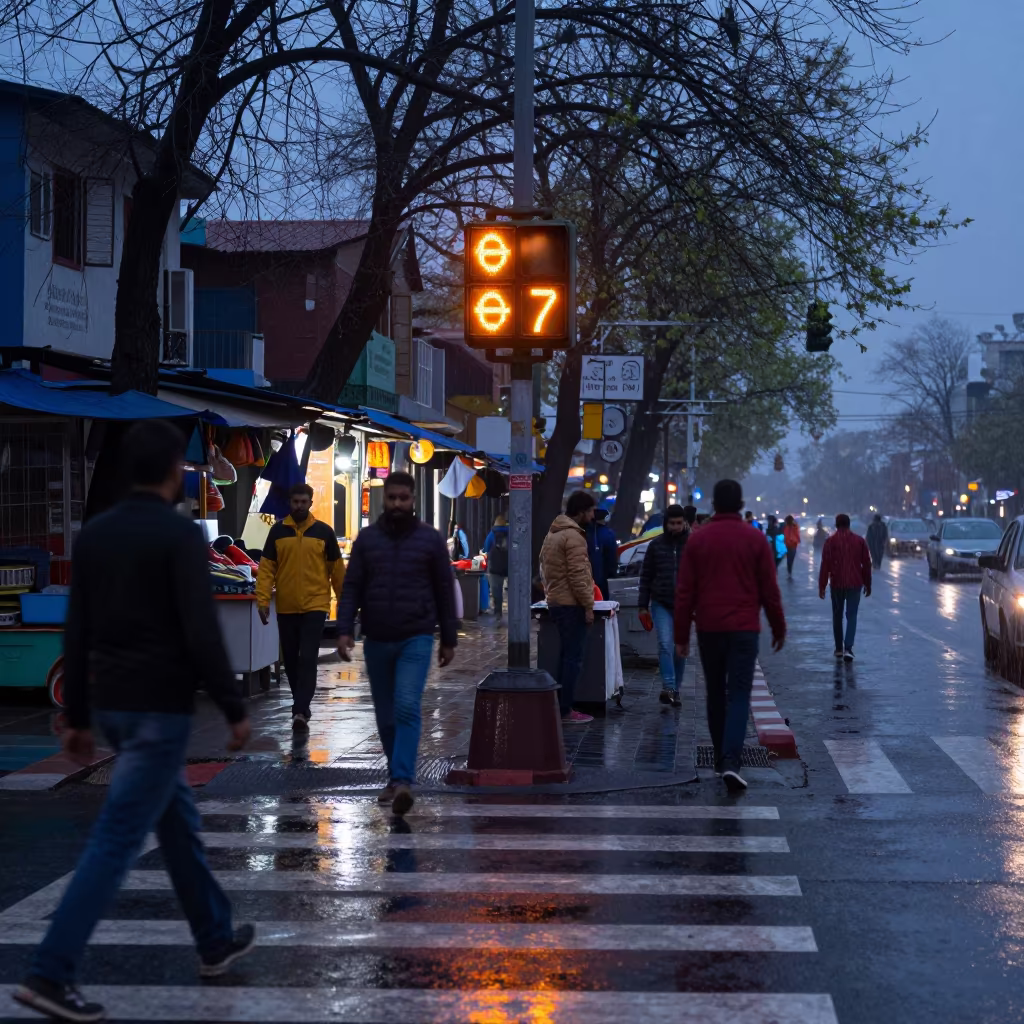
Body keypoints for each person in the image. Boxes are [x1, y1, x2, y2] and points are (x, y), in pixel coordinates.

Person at [13, 420, 253, 1023]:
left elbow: (79, 626)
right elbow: (201, 630)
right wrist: (231, 704)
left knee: (177, 825)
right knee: (118, 839)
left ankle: (214, 937)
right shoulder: (176, 537)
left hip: (114, 704)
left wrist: (75, 712)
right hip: (158, 709)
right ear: (174, 471)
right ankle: (50, 970)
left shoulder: (95, 536)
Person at [337, 471, 457, 816]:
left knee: (406, 705)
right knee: (386, 717)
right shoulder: (367, 540)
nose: (397, 504)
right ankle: (395, 779)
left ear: (413, 499)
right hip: (376, 638)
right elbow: (352, 587)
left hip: (415, 637)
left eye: (403, 498)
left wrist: (448, 638)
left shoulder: (430, 540)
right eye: (392, 498)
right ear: (384, 499)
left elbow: (444, 591)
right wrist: (344, 629)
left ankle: (403, 780)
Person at [674, 479, 786, 793]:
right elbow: (769, 590)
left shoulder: (698, 540)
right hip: (744, 630)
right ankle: (730, 760)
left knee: (714, 693)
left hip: (709, 628)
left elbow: (685, 593)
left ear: (714, 503)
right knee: (739, 694)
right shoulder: (754, 539)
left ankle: (722, 760)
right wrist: (778, 627)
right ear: (739, 504)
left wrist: (681, 635)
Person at [256, 482, 346, 730]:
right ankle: (302, 706)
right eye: (295, 502)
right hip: (286, 606)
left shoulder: (324, 533)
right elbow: (266, 570)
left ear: (311, 502)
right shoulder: (277, 533)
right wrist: (262, 599)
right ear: (290, 503)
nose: (299, 506)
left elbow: (337, 572)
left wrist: (346, 605)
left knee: (307, 657)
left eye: (303, 502)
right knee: (292, 662)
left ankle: (299, 710)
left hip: (315, 605)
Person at [540, 490, 597, 725]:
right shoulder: (574, 537)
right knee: (573, 658)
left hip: (556, 601)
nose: (593, 516)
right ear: (582, 511)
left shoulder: (553, 534)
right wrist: (588, 604)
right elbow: (578, 575)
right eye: (592, 511)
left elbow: (543, 567)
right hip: (571, 604)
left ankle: (558, 706)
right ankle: (565, 709)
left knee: (565, 656)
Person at [638, 504, 692, 707]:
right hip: (661, 602)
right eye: (672, 523)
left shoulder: (693, 544)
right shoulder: (656, 545)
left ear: (685, 522)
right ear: (666, 524)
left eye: (679, 523)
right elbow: (646, 576)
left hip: (686, 605)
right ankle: (668, 687)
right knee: (664, 644)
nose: (676, 527)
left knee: (680, 649)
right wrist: (642, 605)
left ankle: (675, 689)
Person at [819, 513, 872, 662]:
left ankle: (838, 648)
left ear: (836, 525)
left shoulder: (830, 542)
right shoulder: (859, 541)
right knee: (852, 615)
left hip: (836, 583)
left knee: (837, 615)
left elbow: (825, 565)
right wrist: (868, 584)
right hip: (855, 583)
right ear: (849, 525)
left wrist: (822, 585)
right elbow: (866, 564)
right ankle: (848, 647)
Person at [586, 507, 619, 600]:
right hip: (602, 578)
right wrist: (613, 573)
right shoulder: (608, 534)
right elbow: (612, 557)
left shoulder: (584, 533)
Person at [482, 514, 509, 622]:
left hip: (495, 567)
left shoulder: (492, 534)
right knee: (514, 590)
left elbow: (486, 548)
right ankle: (515, 612)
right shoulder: (510, 532)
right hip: (509, 566)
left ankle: (498, 613)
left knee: (496, 591)